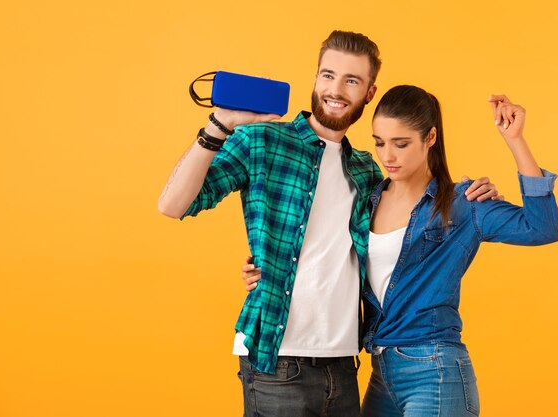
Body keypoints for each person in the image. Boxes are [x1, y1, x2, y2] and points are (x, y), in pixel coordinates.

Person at [159, 30, 500, 417]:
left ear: (369, 93)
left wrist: (468, 193)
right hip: (278, 360)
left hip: (344, 366)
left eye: (351, 80)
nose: (335, 89)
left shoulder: (369, 170)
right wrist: (219, 125)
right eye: (327, 75)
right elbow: (173, 204)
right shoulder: (262, 142)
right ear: (315, 77)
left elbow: (404, 230)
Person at [242, 86, 558, 416]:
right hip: (381, 374)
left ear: (430, 137)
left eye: (401, 144)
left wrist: (516, 141)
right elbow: (322, 253)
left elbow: (543, 227)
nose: (387, 156)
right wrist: (265, 270)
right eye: (380, 142)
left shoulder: (462, 204)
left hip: (435, 372)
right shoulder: (367, 199)